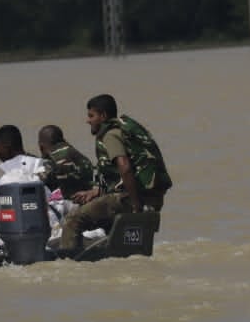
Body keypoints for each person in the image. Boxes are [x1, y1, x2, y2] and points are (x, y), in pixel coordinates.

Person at [57, 94, 172, 256]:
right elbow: (116, 173)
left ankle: (66, 264)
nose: (87, 120)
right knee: (101, 217)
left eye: (91, 116)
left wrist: (135, 205)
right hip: (151, 197)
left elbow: (124, 168)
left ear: (103, 116)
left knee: (73, 219)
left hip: (132, 198)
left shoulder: (110, 135)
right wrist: (96, 190)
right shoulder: (123, 130)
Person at [36, 124, 95, 201]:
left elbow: (35, 182)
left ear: (41, 145)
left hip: (74, 203)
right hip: (88, 199)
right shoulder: (75, 153)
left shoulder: (54, 158)